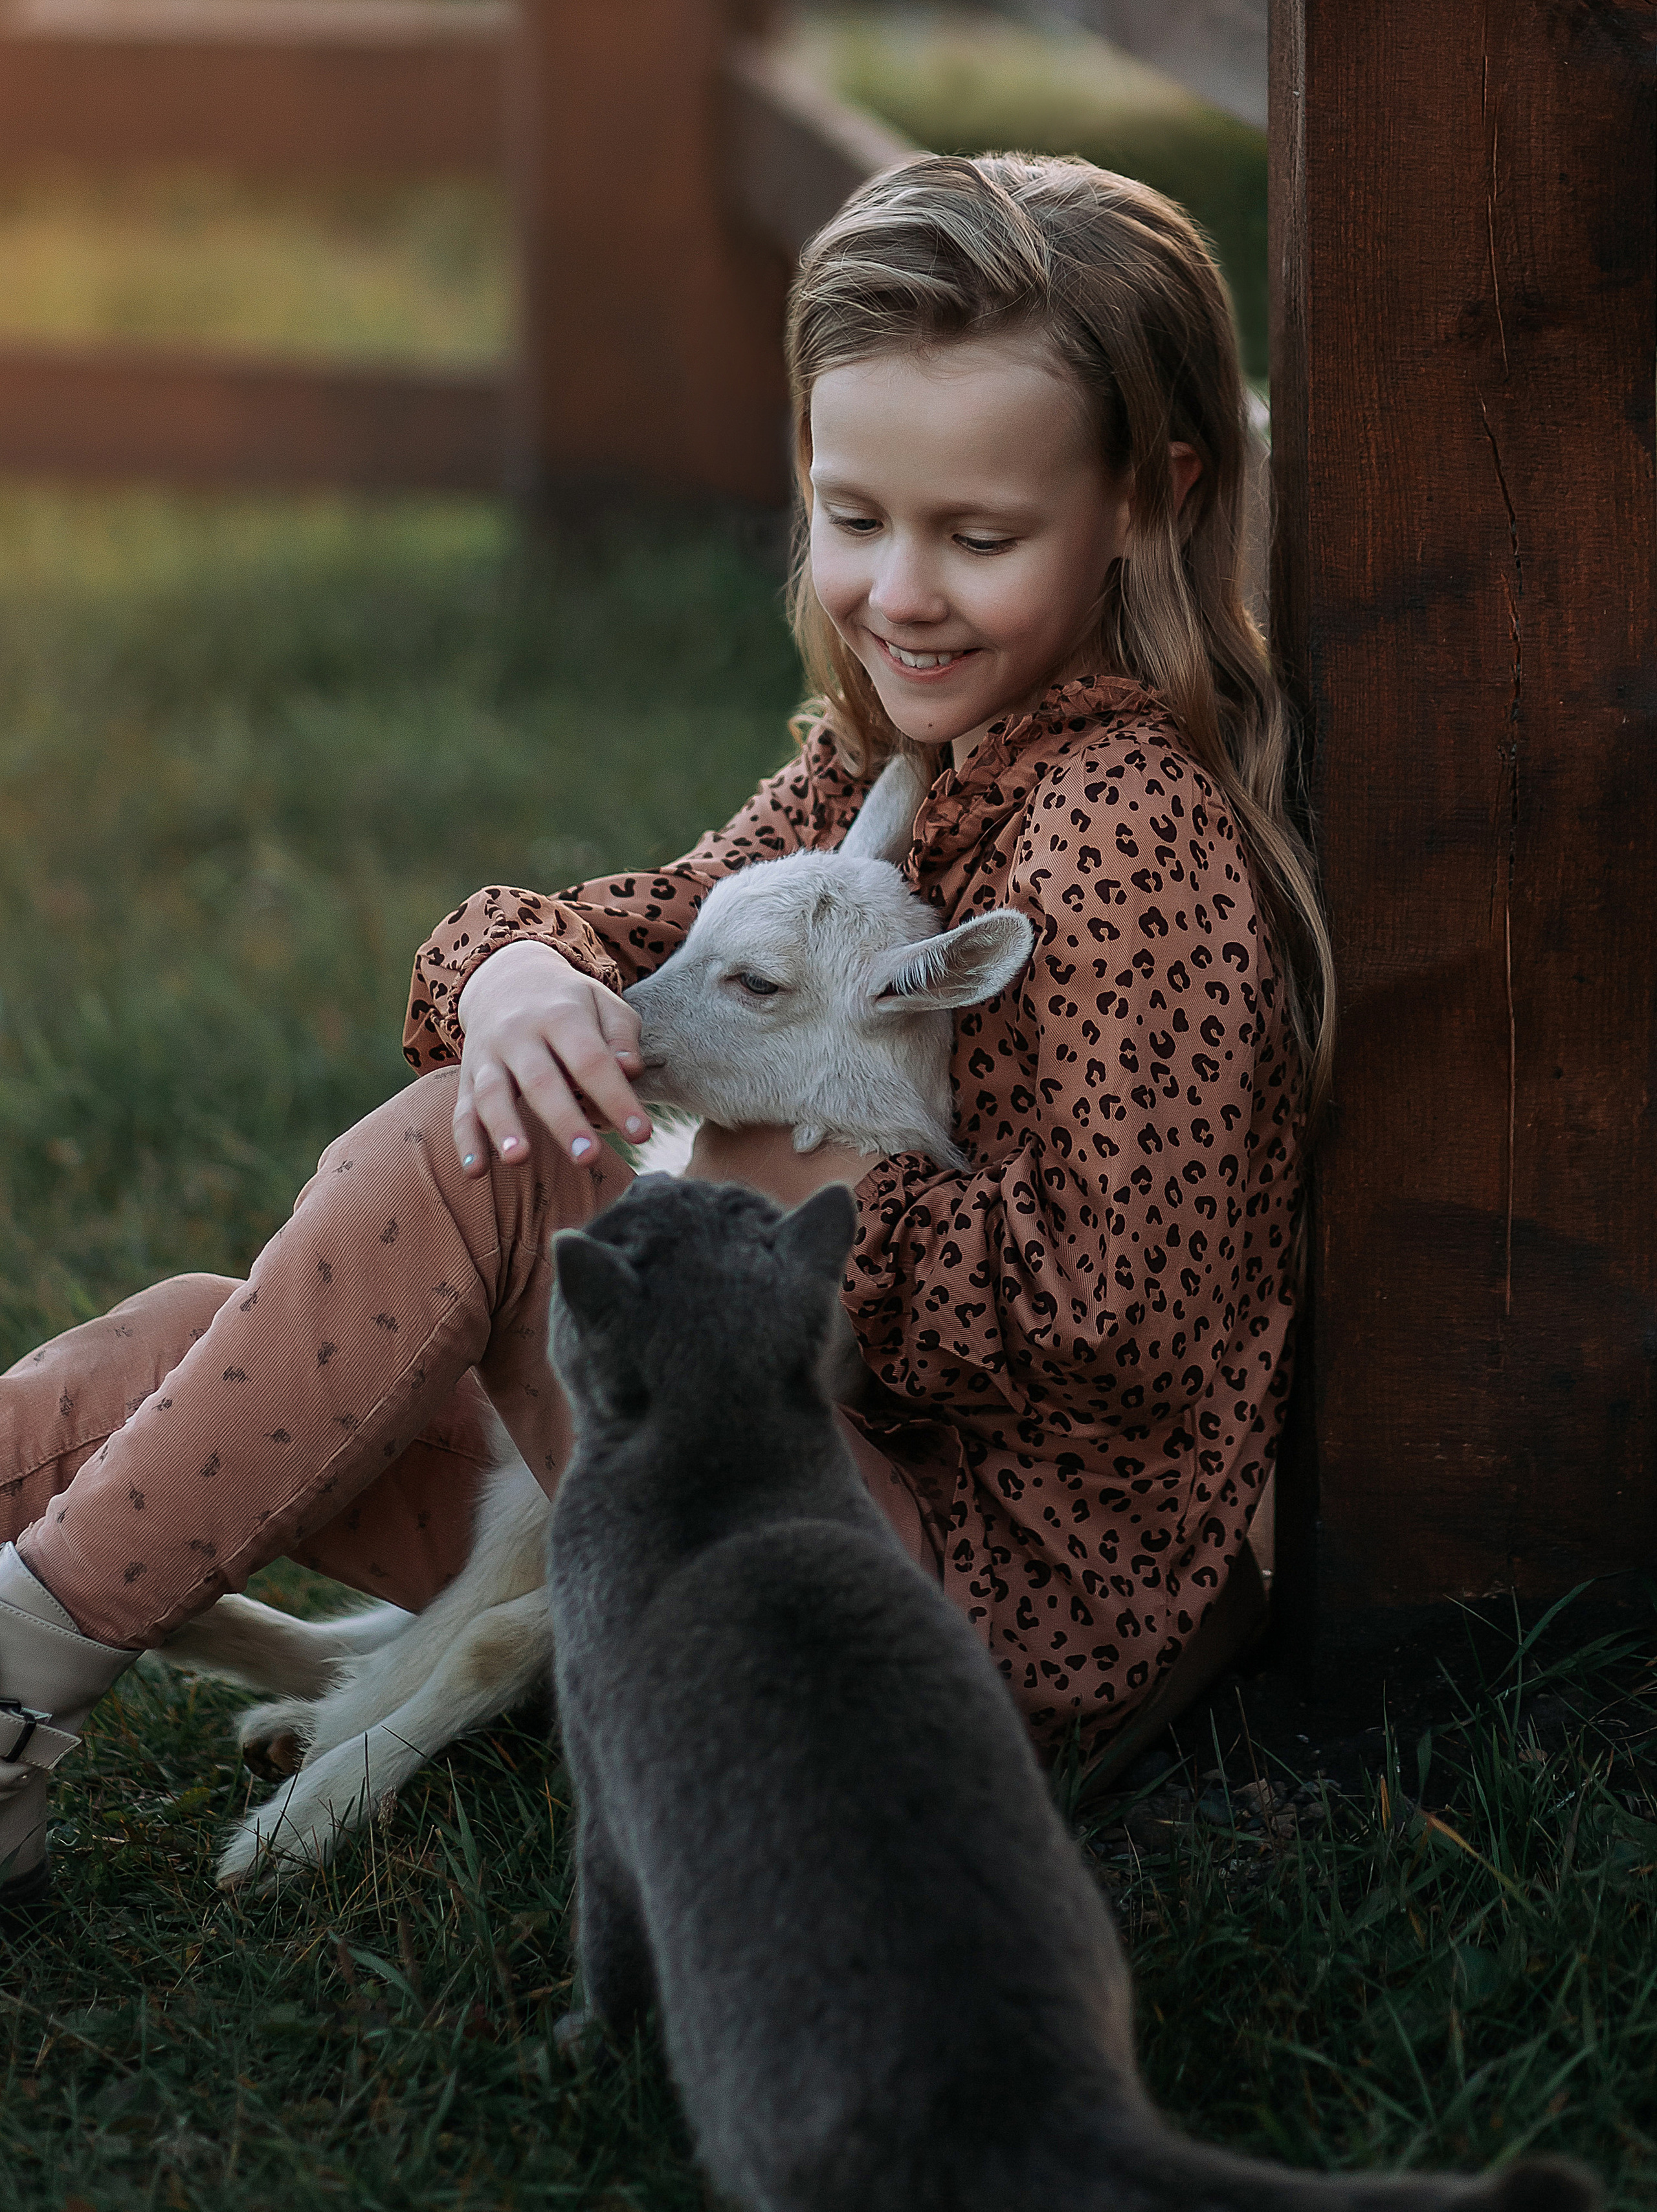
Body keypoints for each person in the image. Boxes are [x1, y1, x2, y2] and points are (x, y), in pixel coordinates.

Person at [0, 154, 1333, 1904]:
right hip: (748, 1483)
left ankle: (21, 1686)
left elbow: (1123, 1314)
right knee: (206, 1341)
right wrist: (514, 978)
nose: (902, 592)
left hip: (975, 1622)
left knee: (485, 1155)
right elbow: (611, 939)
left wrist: (787, 1208)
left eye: (977, 537)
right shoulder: (882, 775)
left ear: (1152, 499)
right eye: (856, 519)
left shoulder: (1126, 835)